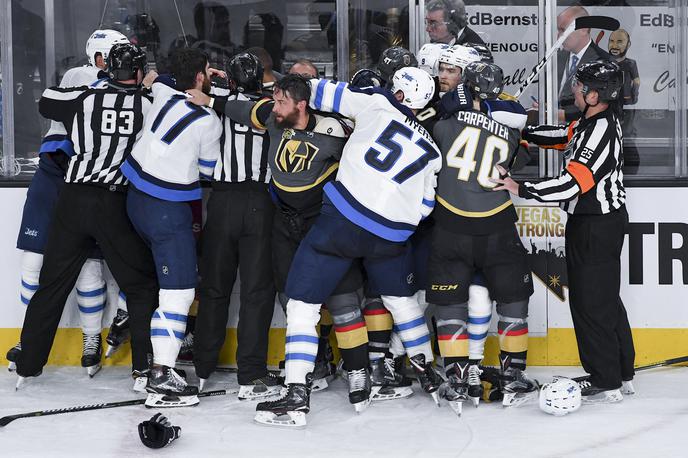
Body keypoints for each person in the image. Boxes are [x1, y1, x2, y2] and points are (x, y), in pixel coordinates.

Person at [251, 67, 443, 428]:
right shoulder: (433, 151)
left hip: (342, 222)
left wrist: (283, 87)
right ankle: (427, 370)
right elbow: (424, 208)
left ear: (397, 93)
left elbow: (313, 91)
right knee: (400, 301)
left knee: (303, 305)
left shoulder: (376, 104)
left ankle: (296, 394)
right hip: (391, 235)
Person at [187, 74, 369, 407]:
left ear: (302, 104)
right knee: (292, 298)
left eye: (283, 101)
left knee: (343, 297)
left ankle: (359, 369)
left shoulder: (334, 130)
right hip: (284, 223)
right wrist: (210, 101)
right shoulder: (273, 116)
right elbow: (240, 110)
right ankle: (314, 362)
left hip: (323, 222)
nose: (276, 106)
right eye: (275, 99)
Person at [15, 43, 158, 389]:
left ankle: (29, 363)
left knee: (51, 285)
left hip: (72, 199)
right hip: (113, 204)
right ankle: (143, 370)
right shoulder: (147, 104)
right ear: (137, 73)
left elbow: (45, 101)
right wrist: (153, 84)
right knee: (141, 287)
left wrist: (95, 81)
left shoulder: (85, 98)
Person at [492, 60, 635, 404]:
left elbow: (573, 183)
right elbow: (561, 137)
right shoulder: (590, 121)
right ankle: (621, 372)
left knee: (591, 303)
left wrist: (520, 187)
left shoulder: (600, 130)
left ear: (596, 95)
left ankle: (605, 379)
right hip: (595, 223)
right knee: (604, 300)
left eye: (580, 85)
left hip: (596, 226)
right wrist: (522, 129)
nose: (574, 88)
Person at [428, 62, 536, 412]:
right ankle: (511, 376)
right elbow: (516, 157)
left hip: (450, 227)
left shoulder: (442, 125)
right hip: (496, 227)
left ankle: (457, 379)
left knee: (450, 306)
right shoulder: (510, 131)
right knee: (513, 301)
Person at [120, 47, 222, 407]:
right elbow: (209, 171)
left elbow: (154, 80)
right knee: (178, 293)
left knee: (152, 280)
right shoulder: (209, 120)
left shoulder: (162, 92)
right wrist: (215, 100)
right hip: (167, 209)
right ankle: (161, 375)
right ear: (200, 77)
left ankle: (144, 360)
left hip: (134, 200)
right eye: (209, 70)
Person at [187, 52, 279, 400]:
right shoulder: (272, 106)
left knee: (214, 289)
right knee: (257, 293)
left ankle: (202, 369)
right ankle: (251, 373)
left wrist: (211, 81)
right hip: (260, 204)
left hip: (222, 203)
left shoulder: (218, 101)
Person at [556, 6, 611, 122]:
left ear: (584, 29)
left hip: (583, 131)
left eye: (563, 30)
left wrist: (560, 115)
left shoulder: (603, 62)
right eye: (558, 30)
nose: (559, 36)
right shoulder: (558, 57)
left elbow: (601, 108)